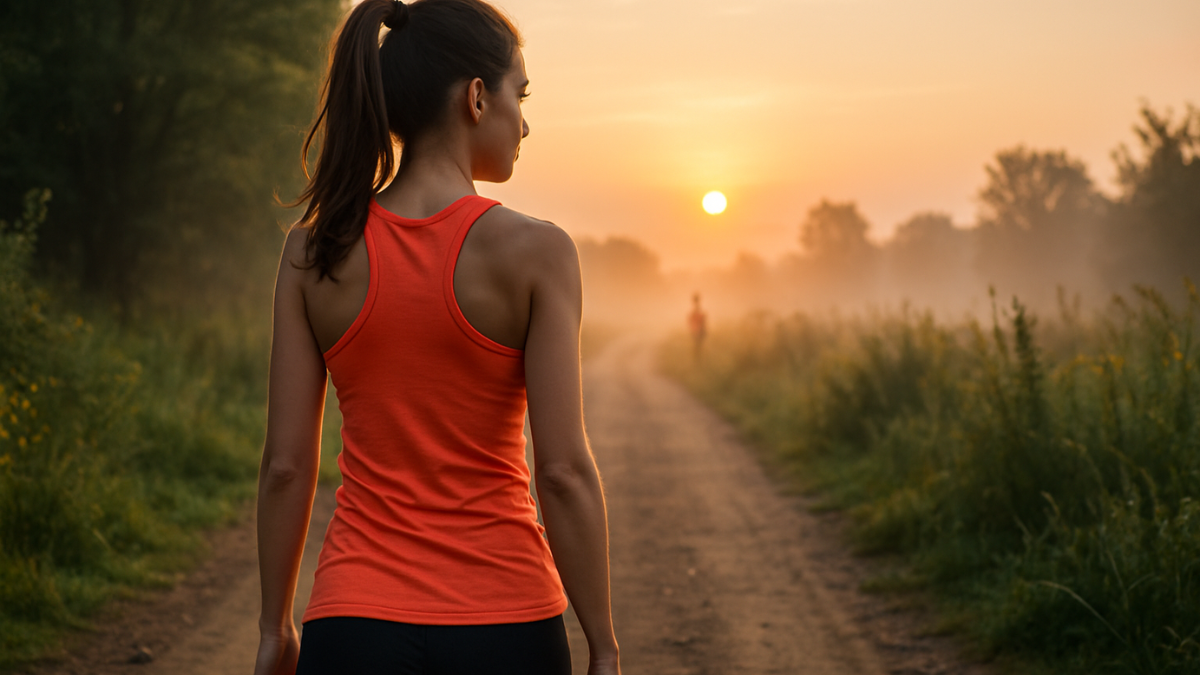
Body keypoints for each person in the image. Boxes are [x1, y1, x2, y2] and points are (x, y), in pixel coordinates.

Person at [252, 1, 620, 674]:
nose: (524, 123)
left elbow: (286, 466)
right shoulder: (538, 253)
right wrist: (602, 642)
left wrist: (276, 627)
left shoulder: (312, 253)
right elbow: (563, 471)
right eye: (520, 96)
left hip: (353, 624)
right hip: (506, 624)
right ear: (476, 98)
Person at [687, 293, 707, 363]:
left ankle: (697, 359)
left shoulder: (696, 312)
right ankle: (697, 359)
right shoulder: (696, 312)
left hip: (697, 330)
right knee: (697, 346)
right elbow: (693, 320)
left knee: (698, 346)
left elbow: (701, 320)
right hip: (697, 330)